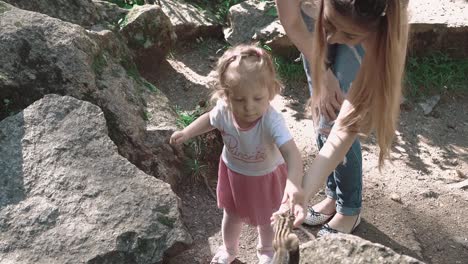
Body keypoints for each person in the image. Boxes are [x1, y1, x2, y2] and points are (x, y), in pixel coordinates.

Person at [275, 0, 409, 236]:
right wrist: (301, 194)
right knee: (323, 110)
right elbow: (291, 20)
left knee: (333, 115)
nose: (332, 38)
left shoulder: (384, 21)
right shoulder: (328, 25)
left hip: (350, 17)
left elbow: (346, 126)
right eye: (330, 25)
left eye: (347, 33)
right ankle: (333, 196)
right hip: (313, 13)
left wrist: (302, 191)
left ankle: (349, 209)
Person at [169, 44, 304, 264]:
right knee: (231, 215)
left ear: (271, 92)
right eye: (239, 99)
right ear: (226, 94)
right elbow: (209, 120)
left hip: (266, 177)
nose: (249, 107)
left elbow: (291, 152)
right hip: (234, 174)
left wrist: (294, 182)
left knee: (267, 219)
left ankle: (267, 250)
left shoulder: (271, 120)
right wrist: (187, 132)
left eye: (258, 98)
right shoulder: (224, 110)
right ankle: (229, 249)